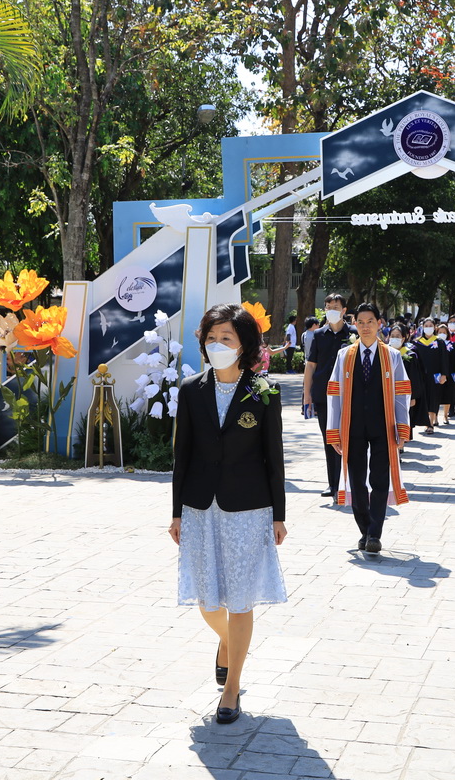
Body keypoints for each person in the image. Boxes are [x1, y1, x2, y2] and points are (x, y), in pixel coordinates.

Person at [170, 303, 287, 725]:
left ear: (243, 345)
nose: (217, 344)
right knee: (207, 600)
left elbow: (274, 458)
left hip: (248, 508)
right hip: (200, 507)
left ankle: (231, 688)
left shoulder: (264, 390)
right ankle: (227, 642)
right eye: (211, 337)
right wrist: (176, 513)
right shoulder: (190, 390)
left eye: (226, 338)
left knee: (239, 599)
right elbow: (182, 456)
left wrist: (278, 515)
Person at [325, 303, 412, 553]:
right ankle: (364, 529)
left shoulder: (392, 356)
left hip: (383, 425)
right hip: (352, 425)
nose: (365, 327)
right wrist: (334, 431)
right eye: (360, 322)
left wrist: (402, 428)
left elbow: (401, 394)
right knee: (357, 479)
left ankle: (375, 533)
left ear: (379, 324)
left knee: (379, 478)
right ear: (355, 324)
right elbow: (334, 393)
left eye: (370, 322)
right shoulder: (345, 355)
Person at [303, 294, 357, 497]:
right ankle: (332, 484)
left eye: (336, 307)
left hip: (349, 394)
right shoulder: (318, 335)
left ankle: (348, 482)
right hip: (323, 394)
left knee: (349, 438)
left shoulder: (353, 333)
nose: (331, 310)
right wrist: (307, 394)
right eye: (328, 307)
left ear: (344, 310)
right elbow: (311, 365)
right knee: (329, 438)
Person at [411, 317, 447, 433]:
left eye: (430, 326)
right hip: (420, 376)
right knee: (423, 398)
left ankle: (430, 423)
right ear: (422, 327)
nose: (428, 328)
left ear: (435, 327)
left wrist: (444, 374)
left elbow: (444, 359)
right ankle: (424, 421)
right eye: (426, 326)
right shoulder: (416, 342)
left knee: (433, 398)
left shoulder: (439, 342)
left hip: (435, 375)